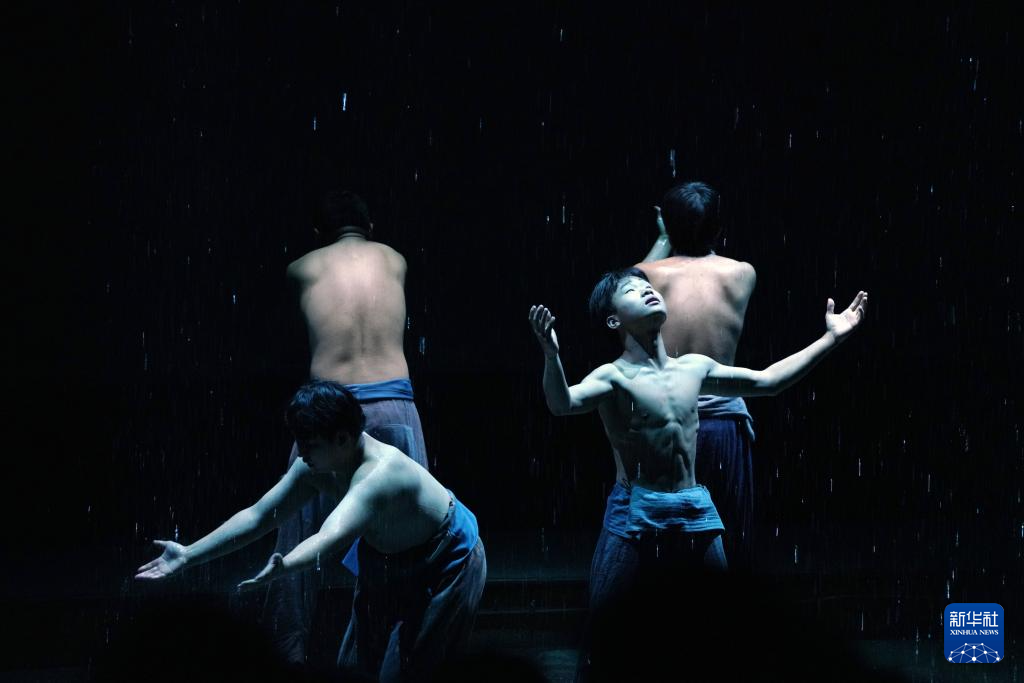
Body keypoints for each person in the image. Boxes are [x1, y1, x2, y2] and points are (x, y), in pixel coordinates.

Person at [528, 269, 866, 680]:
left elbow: (769, 382)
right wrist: (552, 356)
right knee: (603, 632)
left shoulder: (693, 367)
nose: (648, 291)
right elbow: (562, 404)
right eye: (633, 290)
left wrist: (832, 338)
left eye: (649, 286)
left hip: (694, 510)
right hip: (635, 513)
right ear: (614, 320)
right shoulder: (612, 375)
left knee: (721, 628)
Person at [136, 382, 486, 683]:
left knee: (411, 674)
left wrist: (286, 565)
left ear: (342, 438)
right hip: (385, 561)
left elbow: (329, 536)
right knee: (357, 669)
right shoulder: (315, 465)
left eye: (310, 445)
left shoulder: (380, 474)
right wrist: (188, 555)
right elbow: (259, 515)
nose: (301, 454)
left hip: (446, 561)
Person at [267, 190, 430, 663]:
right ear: (370, 227)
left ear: (318, 233)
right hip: (395, 403)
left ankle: (289, 652)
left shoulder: (302, 267)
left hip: (329, 409)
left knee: (294, 528)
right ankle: (403, 645)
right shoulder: (394, 259)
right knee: (411, 530)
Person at [636, 181, 758, 568]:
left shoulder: (645, 277)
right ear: (719, 228)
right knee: (727, 539)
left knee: (660, 546)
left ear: (667, 226)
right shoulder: (741, 273)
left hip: (666, 423)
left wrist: (663, 238)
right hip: (722, 425)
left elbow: (626, 286)